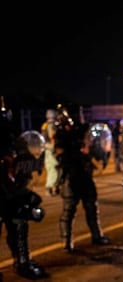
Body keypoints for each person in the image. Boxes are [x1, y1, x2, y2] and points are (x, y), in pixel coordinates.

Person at [0, 101, 48, 279]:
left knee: (19, 225)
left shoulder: (10, 131)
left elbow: (21, 155)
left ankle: (22, 261)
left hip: (11, 188)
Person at [53, 105, 110, 251]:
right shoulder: (60, 136)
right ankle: (67, 242)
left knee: (92, 208)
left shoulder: (83, 130)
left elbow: (95, 145)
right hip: (71, 176)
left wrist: (98, 152)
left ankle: (96, 235)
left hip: (85, 174)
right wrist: (80, 152)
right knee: (69, 211)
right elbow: (61, 157)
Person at [41, 108, 60, 196]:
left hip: (46, 149)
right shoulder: (51, 126)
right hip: (51, 150)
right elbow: (53, 138)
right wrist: (54, 148)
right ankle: (51, 188)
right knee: (54, 169)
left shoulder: (45, 125)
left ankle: (54, 188)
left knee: (51, 169)